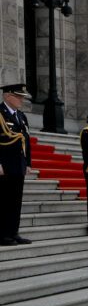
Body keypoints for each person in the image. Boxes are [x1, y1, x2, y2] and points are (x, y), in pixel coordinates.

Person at [0, 83, 33, 245]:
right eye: (18, 96)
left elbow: (26, 140)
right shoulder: (0, 114)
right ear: (7, 96)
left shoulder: (21, 116)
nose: (21, 99)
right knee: (4, 200)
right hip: (4, 165)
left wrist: (27, 162)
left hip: (18, 164)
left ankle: (13, 232)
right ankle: (3, 235)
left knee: (16, 200)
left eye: (22, 97)